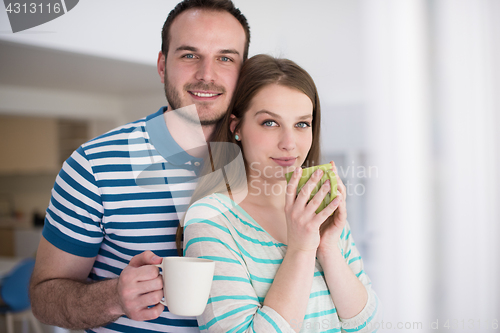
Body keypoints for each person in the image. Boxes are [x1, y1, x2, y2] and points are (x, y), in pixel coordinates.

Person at [29, 0, 250, 332]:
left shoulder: (265, 162)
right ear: (162, 65)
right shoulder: (93, 165)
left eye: (225, 58)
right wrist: (115, 297)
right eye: (189, 55)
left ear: (243, 73)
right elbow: (44, 298)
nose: (207, 74)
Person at [181, 54, 381, 332]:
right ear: (236, 127)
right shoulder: (210, 219)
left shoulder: (317, 210)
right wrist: (300, 248)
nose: (289, 143)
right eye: (270, 123)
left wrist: (327, 248)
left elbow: (367, 324)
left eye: (302, 124)